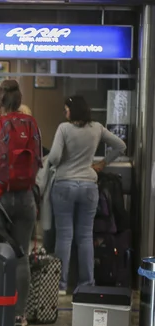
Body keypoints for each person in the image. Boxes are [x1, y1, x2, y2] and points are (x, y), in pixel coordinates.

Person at [0, 80, 41, 326]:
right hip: (25, 197)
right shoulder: (32, 125)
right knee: (21, 255)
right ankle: (19, 315)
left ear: (0, 100)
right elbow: (39, 158)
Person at [47, 95, 126, 293]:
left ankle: (61, 285)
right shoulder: (97, 128)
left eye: (66, 110)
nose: (65, 113)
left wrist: (63, 159)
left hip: (65, 184)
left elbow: (55, 158)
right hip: (89, 186)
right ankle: (86, 284)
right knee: (85, 236)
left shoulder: (64, 129)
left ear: (72, 110)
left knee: (64, 236)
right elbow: (120, 146)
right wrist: (102, 163)